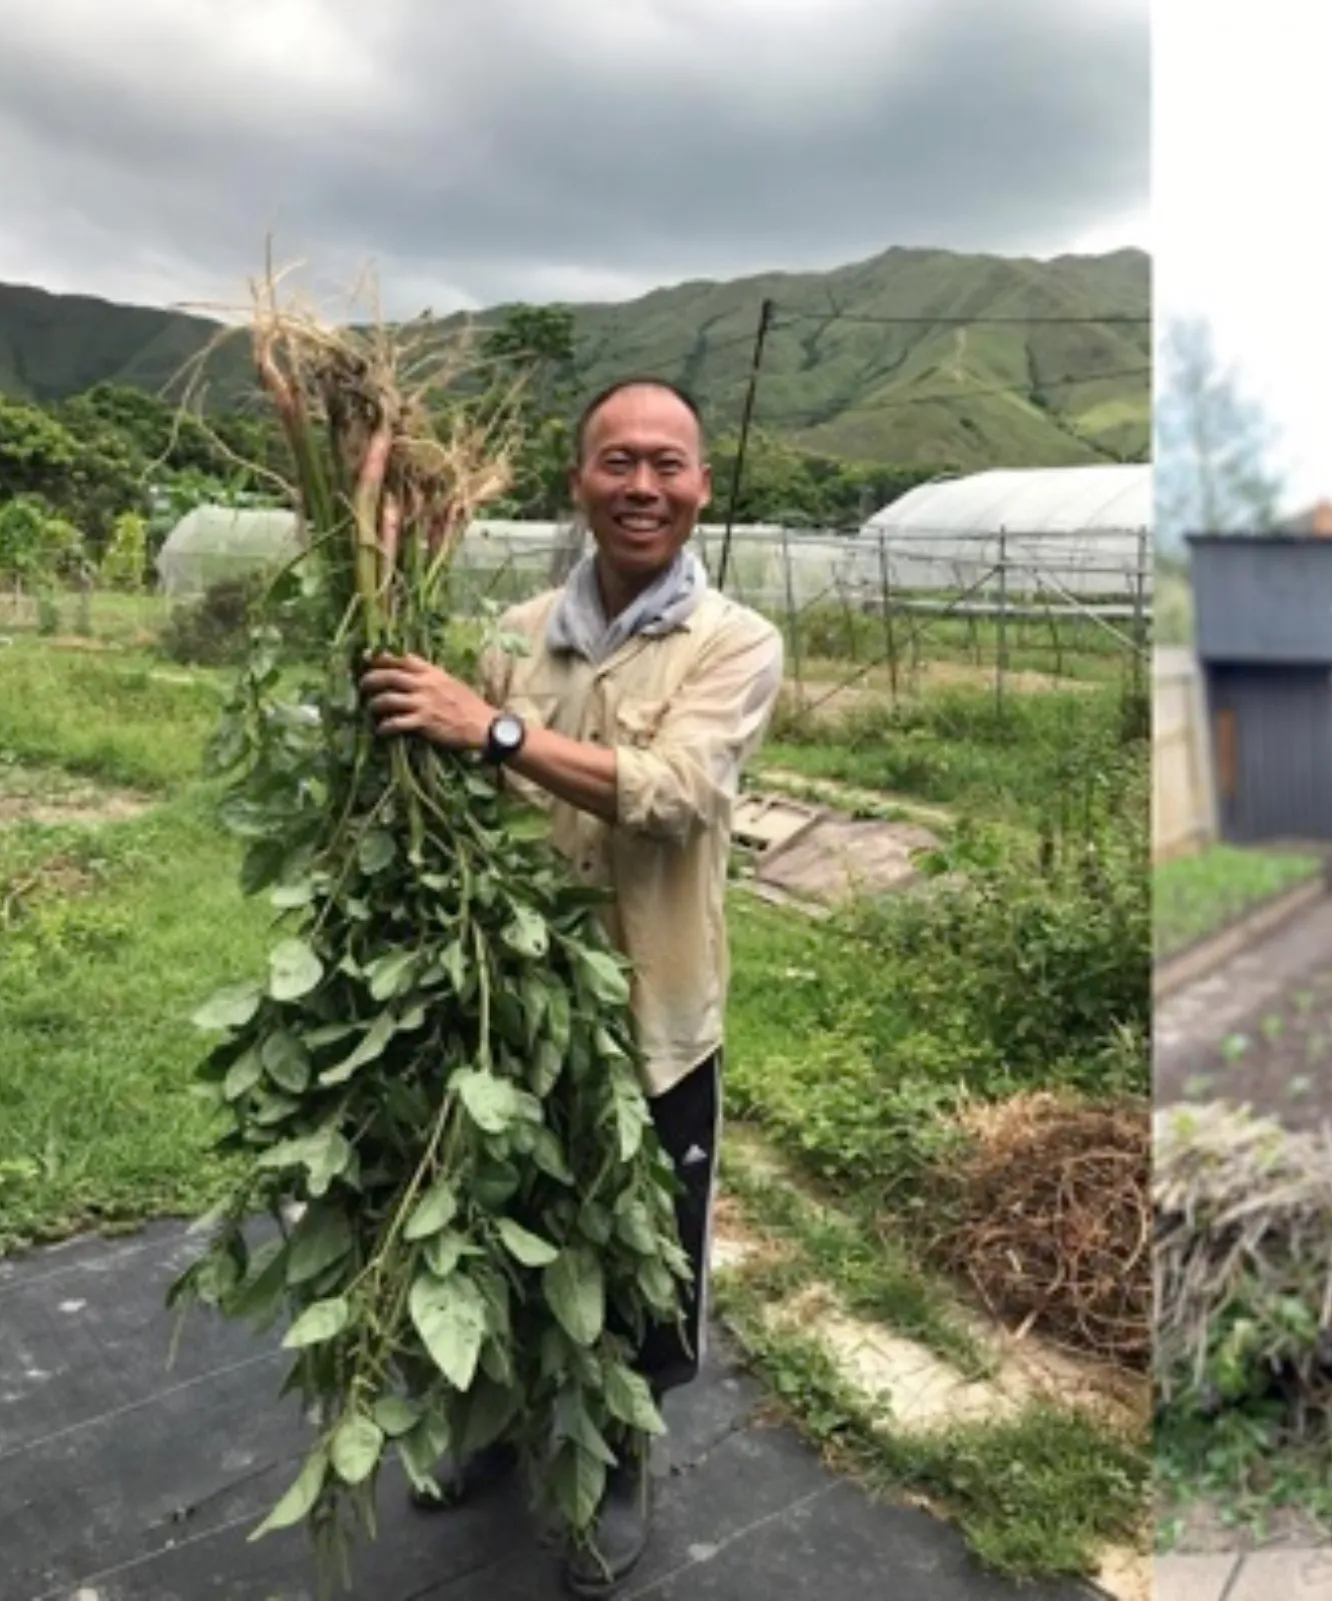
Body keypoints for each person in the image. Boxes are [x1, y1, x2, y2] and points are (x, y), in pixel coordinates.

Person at [356, 375, 783, 1596]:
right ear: (577, 479)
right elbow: (457, 790)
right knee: (501, 1227)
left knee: (647, 1261)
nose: (641, 486)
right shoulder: (515, 634)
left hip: (654, 1019)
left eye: (667, 464)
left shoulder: (735, 643)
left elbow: (677, 793)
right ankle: (494, 1418)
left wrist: (488, 728)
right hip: (515, 1007)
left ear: (701, 484)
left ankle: (618, 1452)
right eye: (616, 462)